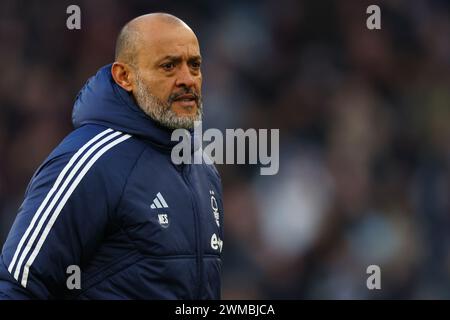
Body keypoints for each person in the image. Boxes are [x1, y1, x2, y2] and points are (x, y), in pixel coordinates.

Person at [0, 13, 224, 299]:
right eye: (169, 66)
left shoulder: (204, 169)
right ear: (125, 77)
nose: (187, 79)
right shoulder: (89, 160)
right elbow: (18, 286)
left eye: (194, 65)